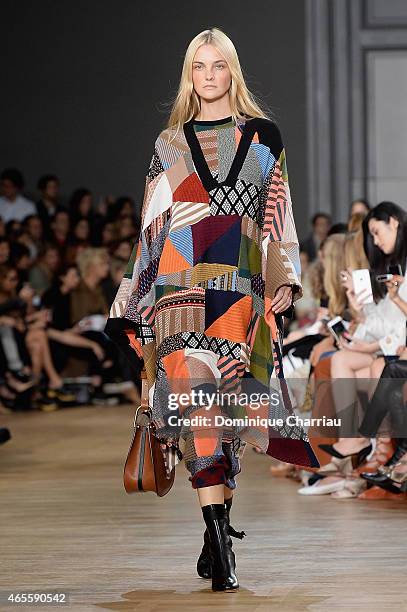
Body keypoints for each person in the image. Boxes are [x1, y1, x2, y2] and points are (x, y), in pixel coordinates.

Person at [106, 27, 318, 592]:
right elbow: (152, 226)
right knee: (199, 407)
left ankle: (213, 529)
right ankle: (219, 537)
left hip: (240, 289)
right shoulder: (169, 144)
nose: (208, 75)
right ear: (189, 75)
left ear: (232, 72)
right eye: (198, 66)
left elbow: (279, 216)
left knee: (226, 416)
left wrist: (281, 277)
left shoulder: (264, 138)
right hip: (180, 292)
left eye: (217, 65)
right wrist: (133, 301)